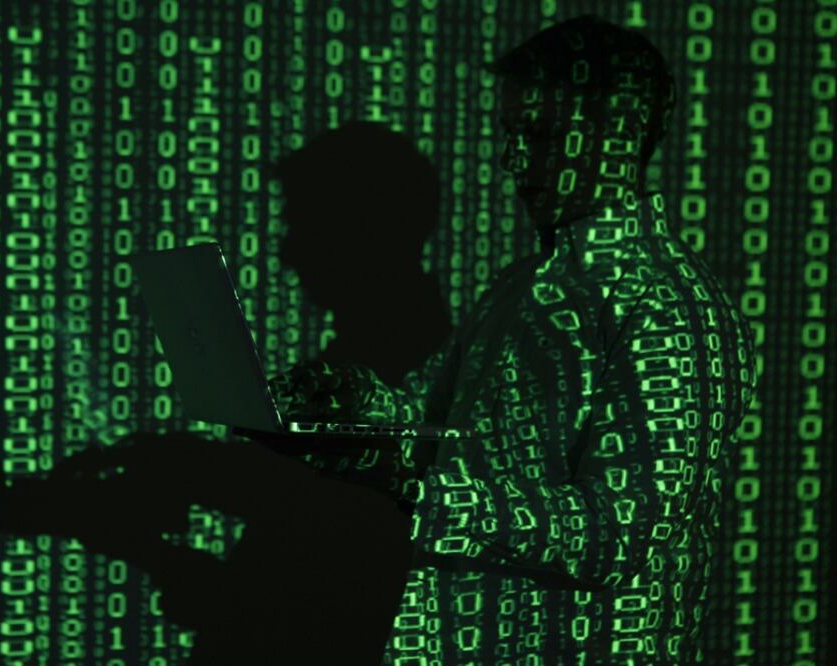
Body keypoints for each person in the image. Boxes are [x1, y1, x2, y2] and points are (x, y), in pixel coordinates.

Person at [271, 14, 758, 665]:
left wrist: (418, 487)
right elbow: (430, 421)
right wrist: (347, 410)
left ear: (619, 130)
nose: (511, 160)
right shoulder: (520, 285)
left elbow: (611, 536)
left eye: (540, 134)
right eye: (510, 133)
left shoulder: (673, 312)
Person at [0, 122, 453, 664]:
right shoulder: (396, 363)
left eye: (305, 228)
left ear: (364, 233)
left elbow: (319, 597)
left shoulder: (399, 380)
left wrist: (152, 498)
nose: (286, 254)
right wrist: (152, 508)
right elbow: (291, 535)